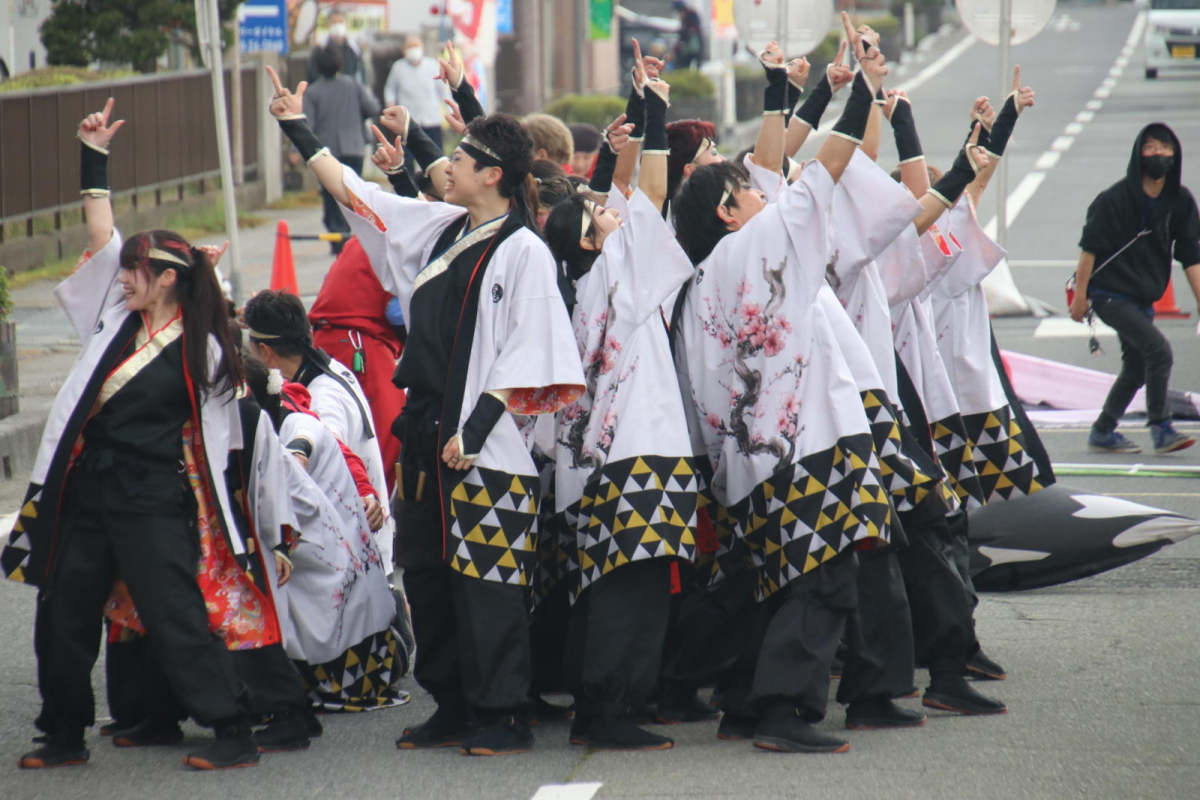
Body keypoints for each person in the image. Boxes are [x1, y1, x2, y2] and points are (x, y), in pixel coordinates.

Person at [265, 65, 585, 756]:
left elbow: (532, 352)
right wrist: (297, 127)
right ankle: (454, 705)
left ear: (493, 175)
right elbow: (357, 196)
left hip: (484, 441)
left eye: (463, 159)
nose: (451, 166)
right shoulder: (443, 228)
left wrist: (474, 432)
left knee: (490, 582)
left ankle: (505, 713)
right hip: (425, 427)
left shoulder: (524, 250)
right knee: (430, 574)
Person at [3, 99, 271, 771]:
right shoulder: (112, 315)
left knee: (174, 611)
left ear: (168, 279)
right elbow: (102, 228)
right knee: (63, 612)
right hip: (89, 485)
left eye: (134, 271)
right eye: (121, 269)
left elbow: (221, 442)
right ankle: (63, 733)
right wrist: (93, 155)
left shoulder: (205, 347)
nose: (120, 278)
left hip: (154, 493)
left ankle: (232, 728)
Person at [671, 22, 892, 754]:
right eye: (748, 191)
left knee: (773, 579)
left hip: (744, 460)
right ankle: (780, 712)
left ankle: (743, 703)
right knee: (823, 579)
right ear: (727, 212)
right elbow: (826, 168)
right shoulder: (759, 242)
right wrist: (865, 89)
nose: (765, 196)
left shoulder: (694, 287)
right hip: (805, 446)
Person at [545, 75, 699, 751]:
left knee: (601, 585)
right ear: (590, 240)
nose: (614, 214)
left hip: (593, 464)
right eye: (601, 217)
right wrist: (655, 115)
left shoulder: (582, 283)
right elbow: (652, 194)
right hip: (638, 451)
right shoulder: (617, 275)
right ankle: (610, 711)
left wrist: (637, 116)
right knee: (632, 590)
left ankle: (594, 707)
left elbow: (625, 195)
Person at [1070, 122, 1200, 454]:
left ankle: (1102, 430)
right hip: (1109, 294)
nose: (1159, 154)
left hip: (1143, 296)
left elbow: (1190, 255)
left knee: (1136, 368)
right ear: (1138, 154)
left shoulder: (1181, 201)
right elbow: (1089, 251)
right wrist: (1080, 297)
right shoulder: (1114, 199)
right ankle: (1161, 427)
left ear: (1175, 155)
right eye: (1151, 147)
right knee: (1159, 351)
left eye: (1165, 148)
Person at [243, 290, 393, 570]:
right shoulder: (327, 367)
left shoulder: (322, 399)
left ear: (265, 351)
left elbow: (336, 452)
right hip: (359, 541)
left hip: (354, 552)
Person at [308, 236, 406, 496]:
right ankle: (375, 507)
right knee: (387, 435)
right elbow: (396, 311)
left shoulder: (363, 238)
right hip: (358, 345)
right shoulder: (397, 239)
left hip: (332, 341)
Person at [304, 43, 381, 254]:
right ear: (340, 63)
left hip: (326, 153)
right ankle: (352, 238)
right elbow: (372, 108)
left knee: (331, 197)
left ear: (317, 66)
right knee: (354, 194)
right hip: (354, 147)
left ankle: (338, 238)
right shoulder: (353, 85)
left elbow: (307, 124)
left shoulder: (313, 92)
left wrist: (296, 151)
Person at [383, 36, 448, 175]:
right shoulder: (398, 67)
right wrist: (390, 106)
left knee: (435, 156)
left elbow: (443, 91)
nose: (413, 50)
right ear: (404, 50)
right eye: (410, 47)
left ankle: (436, 184)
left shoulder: (432, 65)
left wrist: (449, 112)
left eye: (416, 46)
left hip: (431, 119)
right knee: (407, 158)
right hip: (407, 121)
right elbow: (390, 89)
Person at [307, 8, 366, 86]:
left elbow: (361, 78)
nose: (337, 26)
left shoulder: (355, 50)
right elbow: (312, 78)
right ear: (328, 25)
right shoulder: (320, 50)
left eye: (340, 22)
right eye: (334, 23)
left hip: (349, 91)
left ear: (346, 24)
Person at [671, 1, 705, 70]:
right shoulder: (688, 18)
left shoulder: (690, 17)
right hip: (694, 47)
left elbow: (683, 35)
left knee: (685, 64)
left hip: (692, 47)